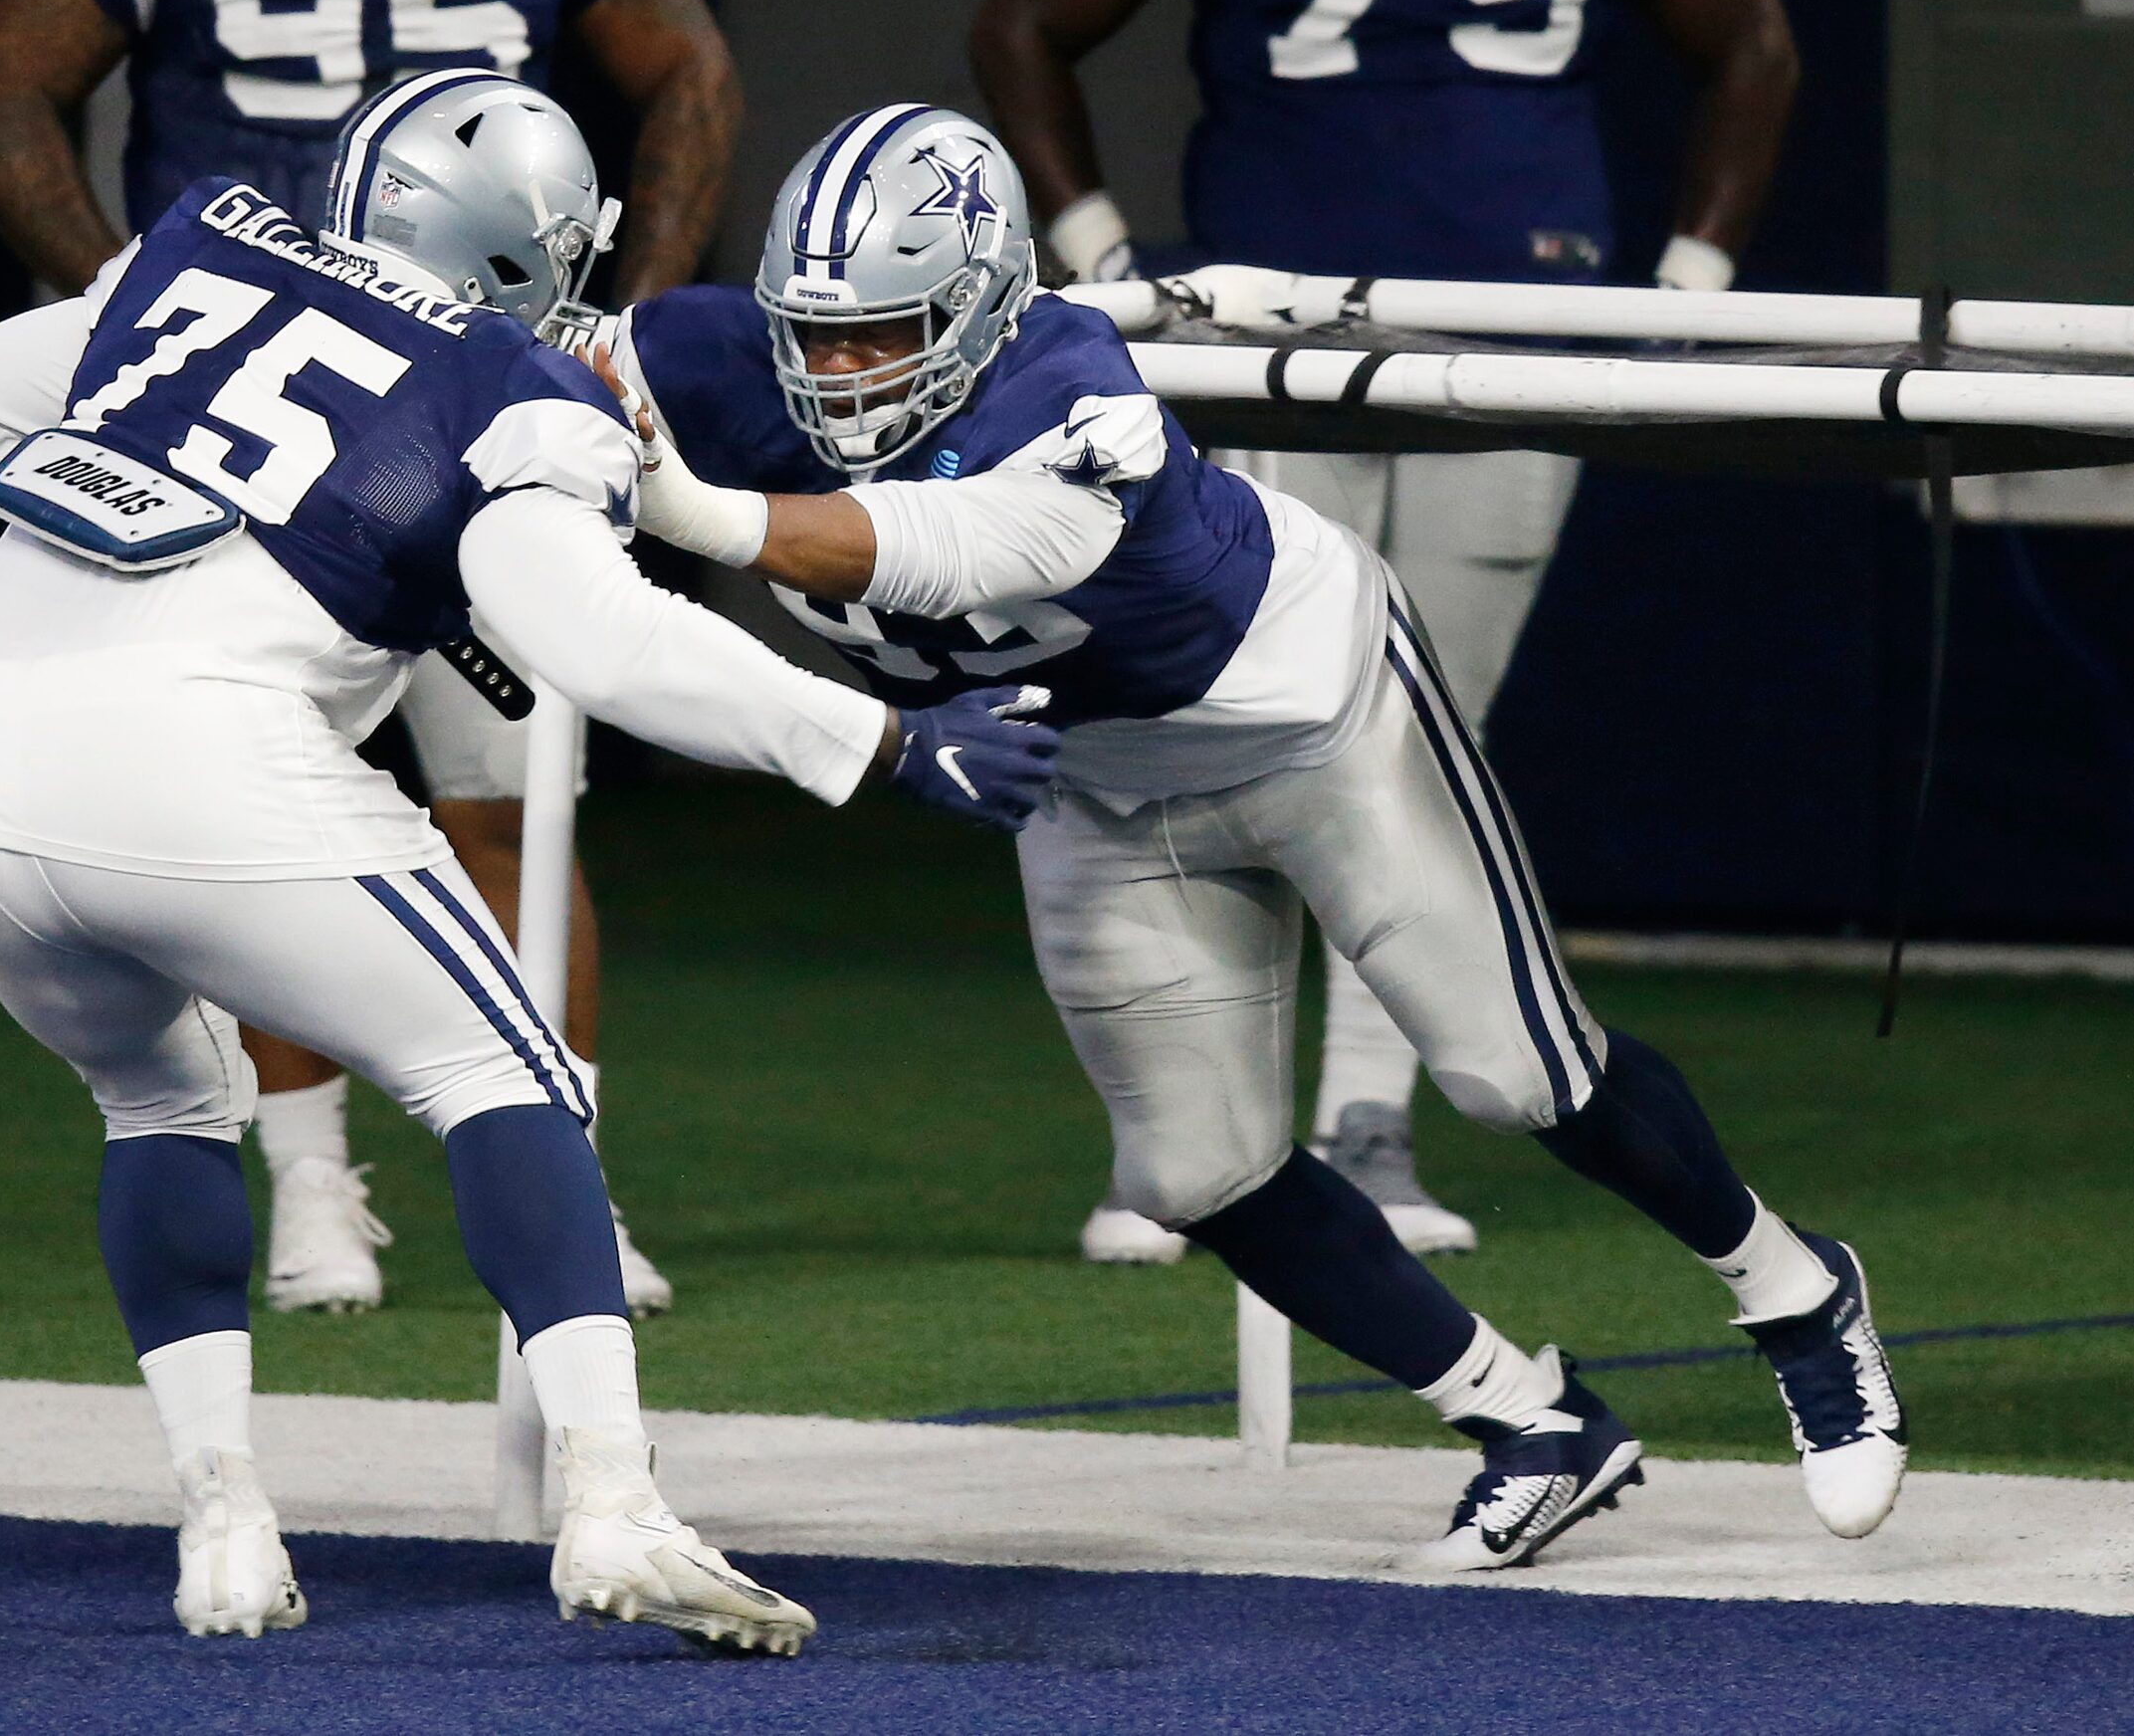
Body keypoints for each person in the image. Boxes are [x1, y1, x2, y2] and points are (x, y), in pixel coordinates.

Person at [0, 73, 1056, 1642]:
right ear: (528, 251)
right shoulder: (515, 384)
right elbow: (603, 640)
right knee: (511, 1080)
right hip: (197, 758)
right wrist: (885, 742)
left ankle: (222, 1527)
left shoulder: (194, 257)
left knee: (158, 1095)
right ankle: (615, 1507)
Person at [596, 106, 1902, 1568]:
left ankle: (1797, 1295)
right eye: (811, 333)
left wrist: (678, 501)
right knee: (1191, 1171)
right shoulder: (695, 352)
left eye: (879, 330)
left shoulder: (1075, 392)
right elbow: (528, 382)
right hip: (1088, 775)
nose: (836, 370)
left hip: (1306, 710)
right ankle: (1531, 1421)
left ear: (978, 304)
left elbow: (923, 550)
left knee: (1514, 1068)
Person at [0, 0, 750, 1314]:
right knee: (246, 797)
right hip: (261, 414)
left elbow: (686, 64)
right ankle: (310, 1171)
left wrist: (611, 333)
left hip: (468, 398)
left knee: (513, 796)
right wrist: (136, 318)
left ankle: (562, 1157)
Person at [969, 0, 1799, 1263]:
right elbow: (1022, 23)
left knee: (1425, 741)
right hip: (1271, 344)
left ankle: (1365, 1116)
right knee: (1216, 724)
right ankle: (1196, 1131)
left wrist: (1684, 298)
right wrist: (1111, 264)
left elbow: (1752, 42)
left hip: (1517, 326)